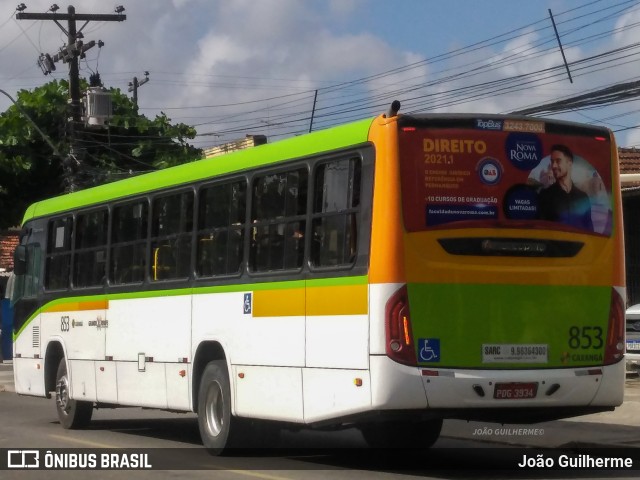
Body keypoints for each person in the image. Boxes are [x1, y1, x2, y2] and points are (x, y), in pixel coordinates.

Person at [538, 144, 593, 231]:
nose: (553, 166)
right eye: (552, 161)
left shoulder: (583, 197)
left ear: (569, 163)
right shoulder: (545, 195)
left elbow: (590, 231)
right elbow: (541, 230)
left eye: (558, 161)